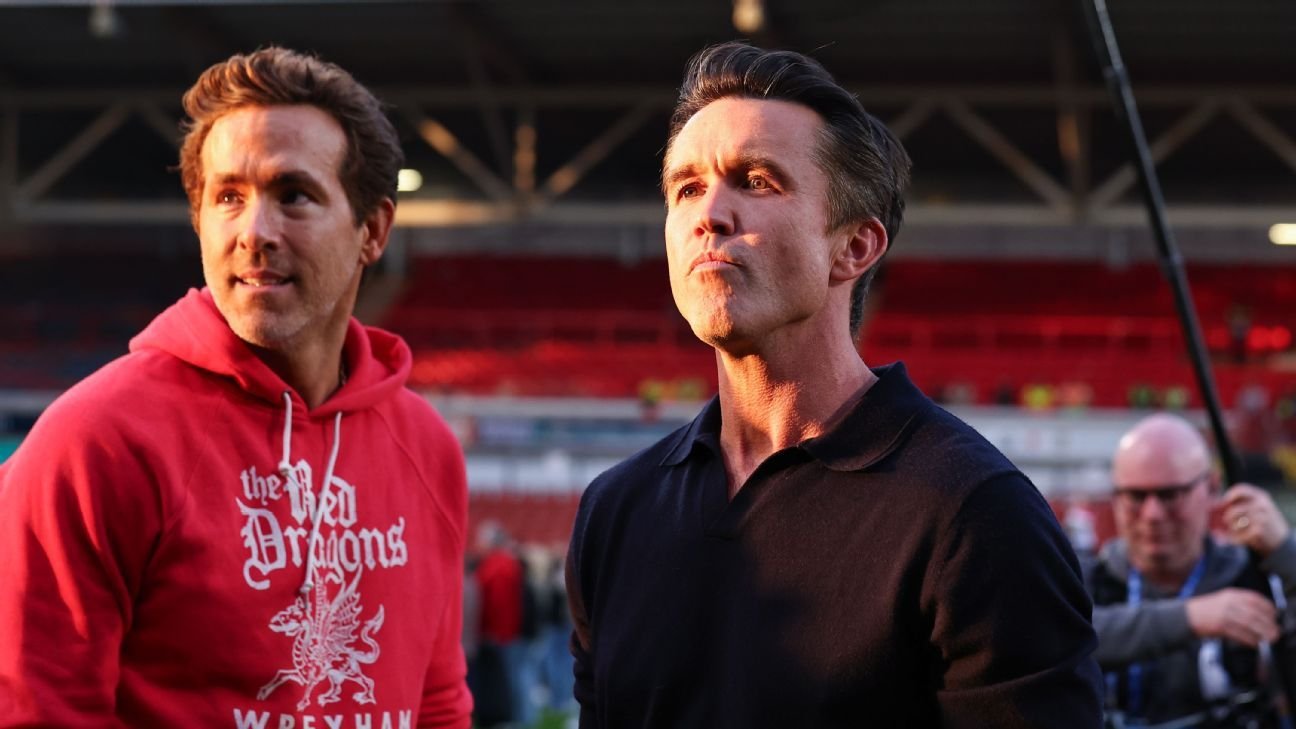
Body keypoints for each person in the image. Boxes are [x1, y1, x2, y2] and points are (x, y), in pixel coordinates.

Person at [565, 41, 1103, 728]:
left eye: (756, 181)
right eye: (687, 188)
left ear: (854, 247)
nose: (710, 215)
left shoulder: (974, 515)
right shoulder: (615, 510)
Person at [0, 48, 472, 728]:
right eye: (228, 197)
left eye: (293, 195)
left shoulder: (427, 448)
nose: (254, 232)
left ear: (372, 231)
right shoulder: (94, 442)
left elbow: (437, 703)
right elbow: (37, 711)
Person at [1085, 412, 1296, 726]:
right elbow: (1058, 640)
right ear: (1114, 497)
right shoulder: (1084, 582)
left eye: (1171, 495)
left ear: (1212, 488)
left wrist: (1286, 554)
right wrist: (1191, 618)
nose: (1153, 514)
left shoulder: (1256, 580)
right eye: (1136, 496)